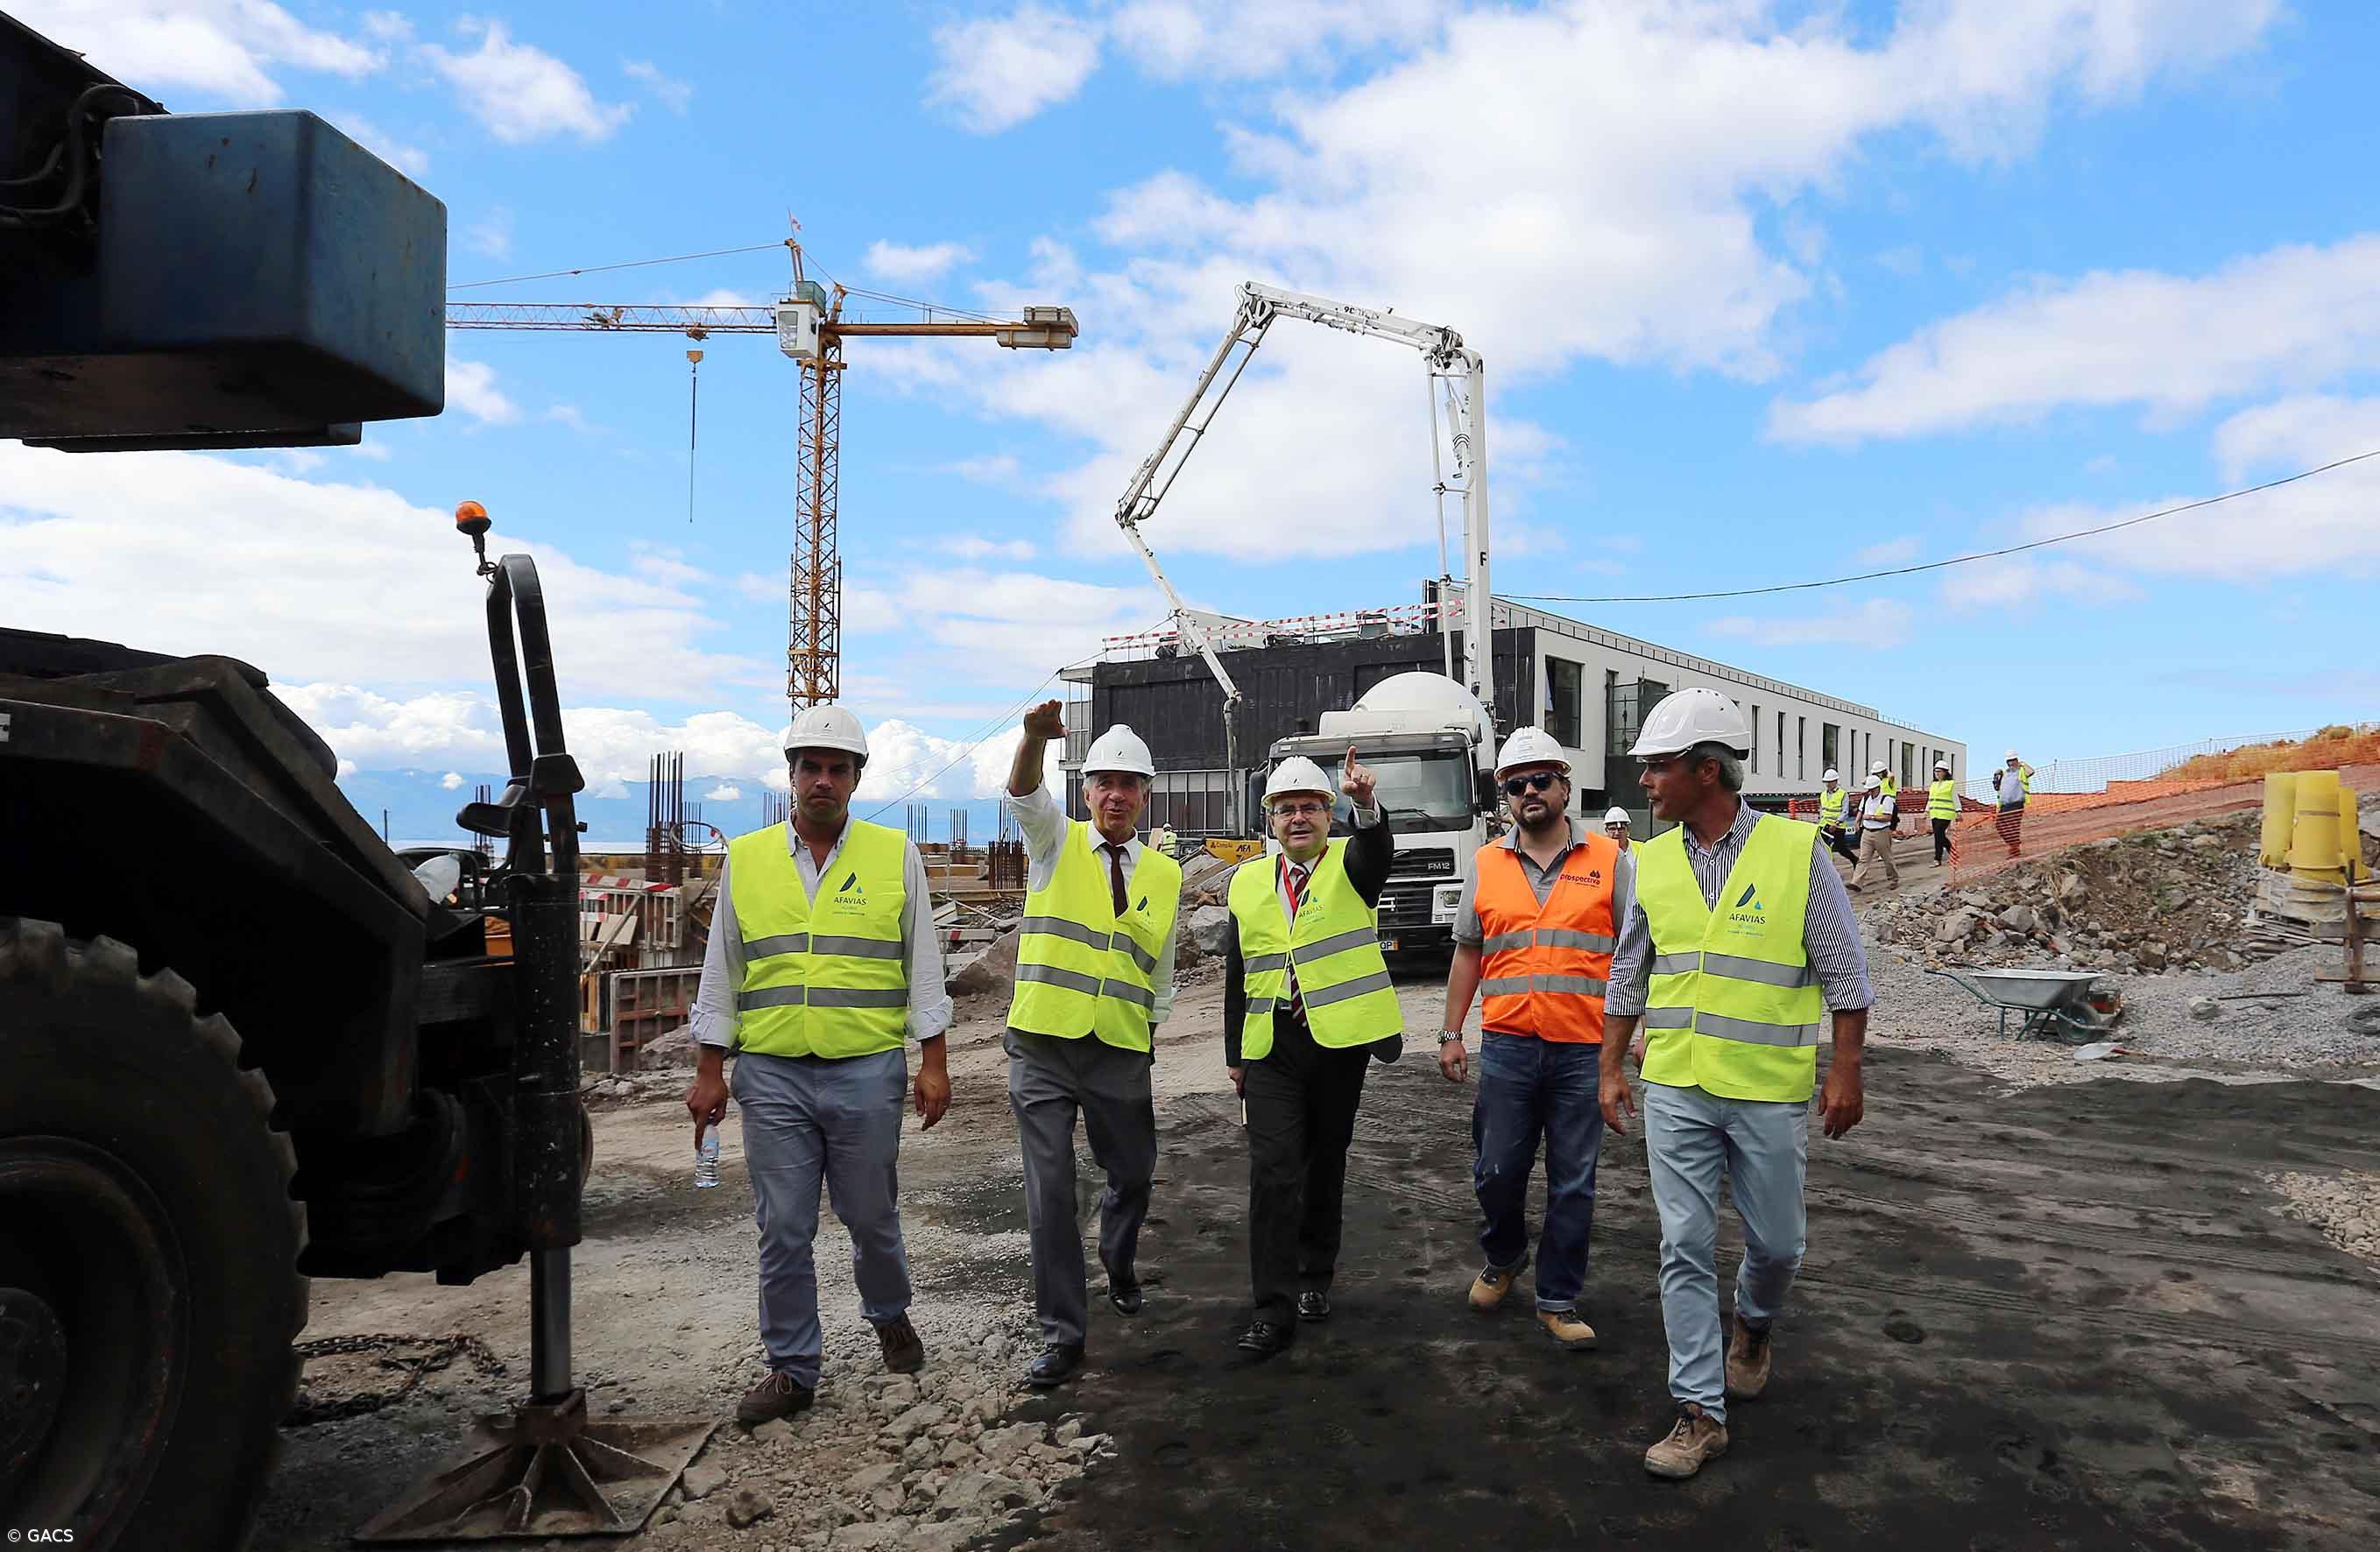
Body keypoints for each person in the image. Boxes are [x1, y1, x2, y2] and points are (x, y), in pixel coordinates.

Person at [1598, 688, 1873, 1481]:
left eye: (1656, 768)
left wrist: (1845, 1070)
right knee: (1681, 1242)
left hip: (1765, 1088)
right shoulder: (1646, 863)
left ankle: (1752, 1327)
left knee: (1779, 1243)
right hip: (1676, 1086)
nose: (1644, 783)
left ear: (1706, 771)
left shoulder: (1795, 853)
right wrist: (1611, 1067)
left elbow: (1844, 975)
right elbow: (1628, 974)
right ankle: (1698, 1411)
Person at [685, 705, 953, 1427]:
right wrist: (710, 1070)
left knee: (870, 1215)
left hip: (866, 1066)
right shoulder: (748, 857)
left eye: (838, 769)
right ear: (791, 775)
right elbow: (724, 971)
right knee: (784, 1227)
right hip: (771, 1073)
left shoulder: (894, 854)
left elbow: (922, 962)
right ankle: (792, 1368)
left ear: (856, 779)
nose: (823, 781)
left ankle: (889, 1313)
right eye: (812, 768)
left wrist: (934, 1060)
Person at [1002, 702, 1183, 1388]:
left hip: (1119, 1049)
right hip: (1043, 1045)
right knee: (1050, 1196)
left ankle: (1119, 1256)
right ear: (1085, 791)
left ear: (1144, 794)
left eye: (1127, 783)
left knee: (1132, 1174)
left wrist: (1148, 1033)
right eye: (1103, 781)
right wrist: (1031, 739)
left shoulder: (1163, 873)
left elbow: (1160, 967)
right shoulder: (1053, 841)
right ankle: (1063, 1337)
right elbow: (1022, 791)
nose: (1114, 794)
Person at [1437, 726, 1629, 1351]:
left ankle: (1558, 1298)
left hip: (1583, 1050)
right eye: (1516, 784)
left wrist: (1635, 1037)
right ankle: (1504, 1256)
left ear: (1563, 786)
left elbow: (1634, 956)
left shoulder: (1609, 861)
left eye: (1540, 779)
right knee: (1497, 1171)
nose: (1529, 792)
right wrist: (1450, 1033)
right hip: (1509, 1047)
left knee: (1573, 1180)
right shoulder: (1487, 863)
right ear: (1506, 797)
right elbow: (1469, 951)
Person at [1224, 749, 1402, 1359]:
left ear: (1328, 816)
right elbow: (1236, 969)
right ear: (1269, 821)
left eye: (1309, 807)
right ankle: (1270, 1312)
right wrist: (1233, 1052)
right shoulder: (1246, 881)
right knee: (1273, 1173)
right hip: (1272, 1044)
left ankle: (1314, 1276)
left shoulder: (1352, 865)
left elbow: (1378, 850)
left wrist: (1364, 803)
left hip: (1339, 1043)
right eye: (1285, 809)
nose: (1297, 817)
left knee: (1324, 1163)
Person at [1847, 775, 1899, 893]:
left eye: (1872, 789)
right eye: (1868, 789)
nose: (1870, 791)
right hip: (1867, 832)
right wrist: (1857, 821)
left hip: (1882, 833)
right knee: (1863, 859)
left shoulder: (1886, 800)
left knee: (1887, 858)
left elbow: (1887, 817)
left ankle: (1893, 879)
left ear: (1877, 788)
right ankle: (1856, 883)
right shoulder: (1866, 799)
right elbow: (1861, 810)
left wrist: (1871, 817)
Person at [1992, 750, 2035, 858]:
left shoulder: (2021, 771)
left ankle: (2015, 849)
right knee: (2000, 825)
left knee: (2013, 827)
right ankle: (2014, 845)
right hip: (2004, 804)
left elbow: (2031, 771)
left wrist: (2023, 764)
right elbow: (1997, 787)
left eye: (2013, 760)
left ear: (2017, 760)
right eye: (2009, 761)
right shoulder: (2005, 773)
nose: (2011, 763)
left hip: (2016, 804)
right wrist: (1997, 776)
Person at [1811, 769, 1859, 865]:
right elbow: (1823, 810)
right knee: (1820, 846)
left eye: (1830, 782)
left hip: (1838, 826)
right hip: (1824, 824)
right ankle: (1825, 865)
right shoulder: (1823, 794)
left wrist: (1836, 823)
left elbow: (1845, 812)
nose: (1828, 784)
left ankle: (1855, 860)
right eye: (1826, 782)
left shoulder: (1843, 794)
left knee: (1841, 848)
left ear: (1835, 781)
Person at [1926, 760, 1959, 867]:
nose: (1937, 773)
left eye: (1939, 771)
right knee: (1939, 835)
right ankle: (1953, 853)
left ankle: (1937, 859)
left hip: (1946, 814)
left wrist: (1958, 811)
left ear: (1945, 772)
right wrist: (1926, 810)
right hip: (1935, 813)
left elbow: (1955, 798)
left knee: (1938, 835)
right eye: (1935, 771)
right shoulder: (1934, 784)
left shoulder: (1951, 784)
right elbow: (1930, 798)